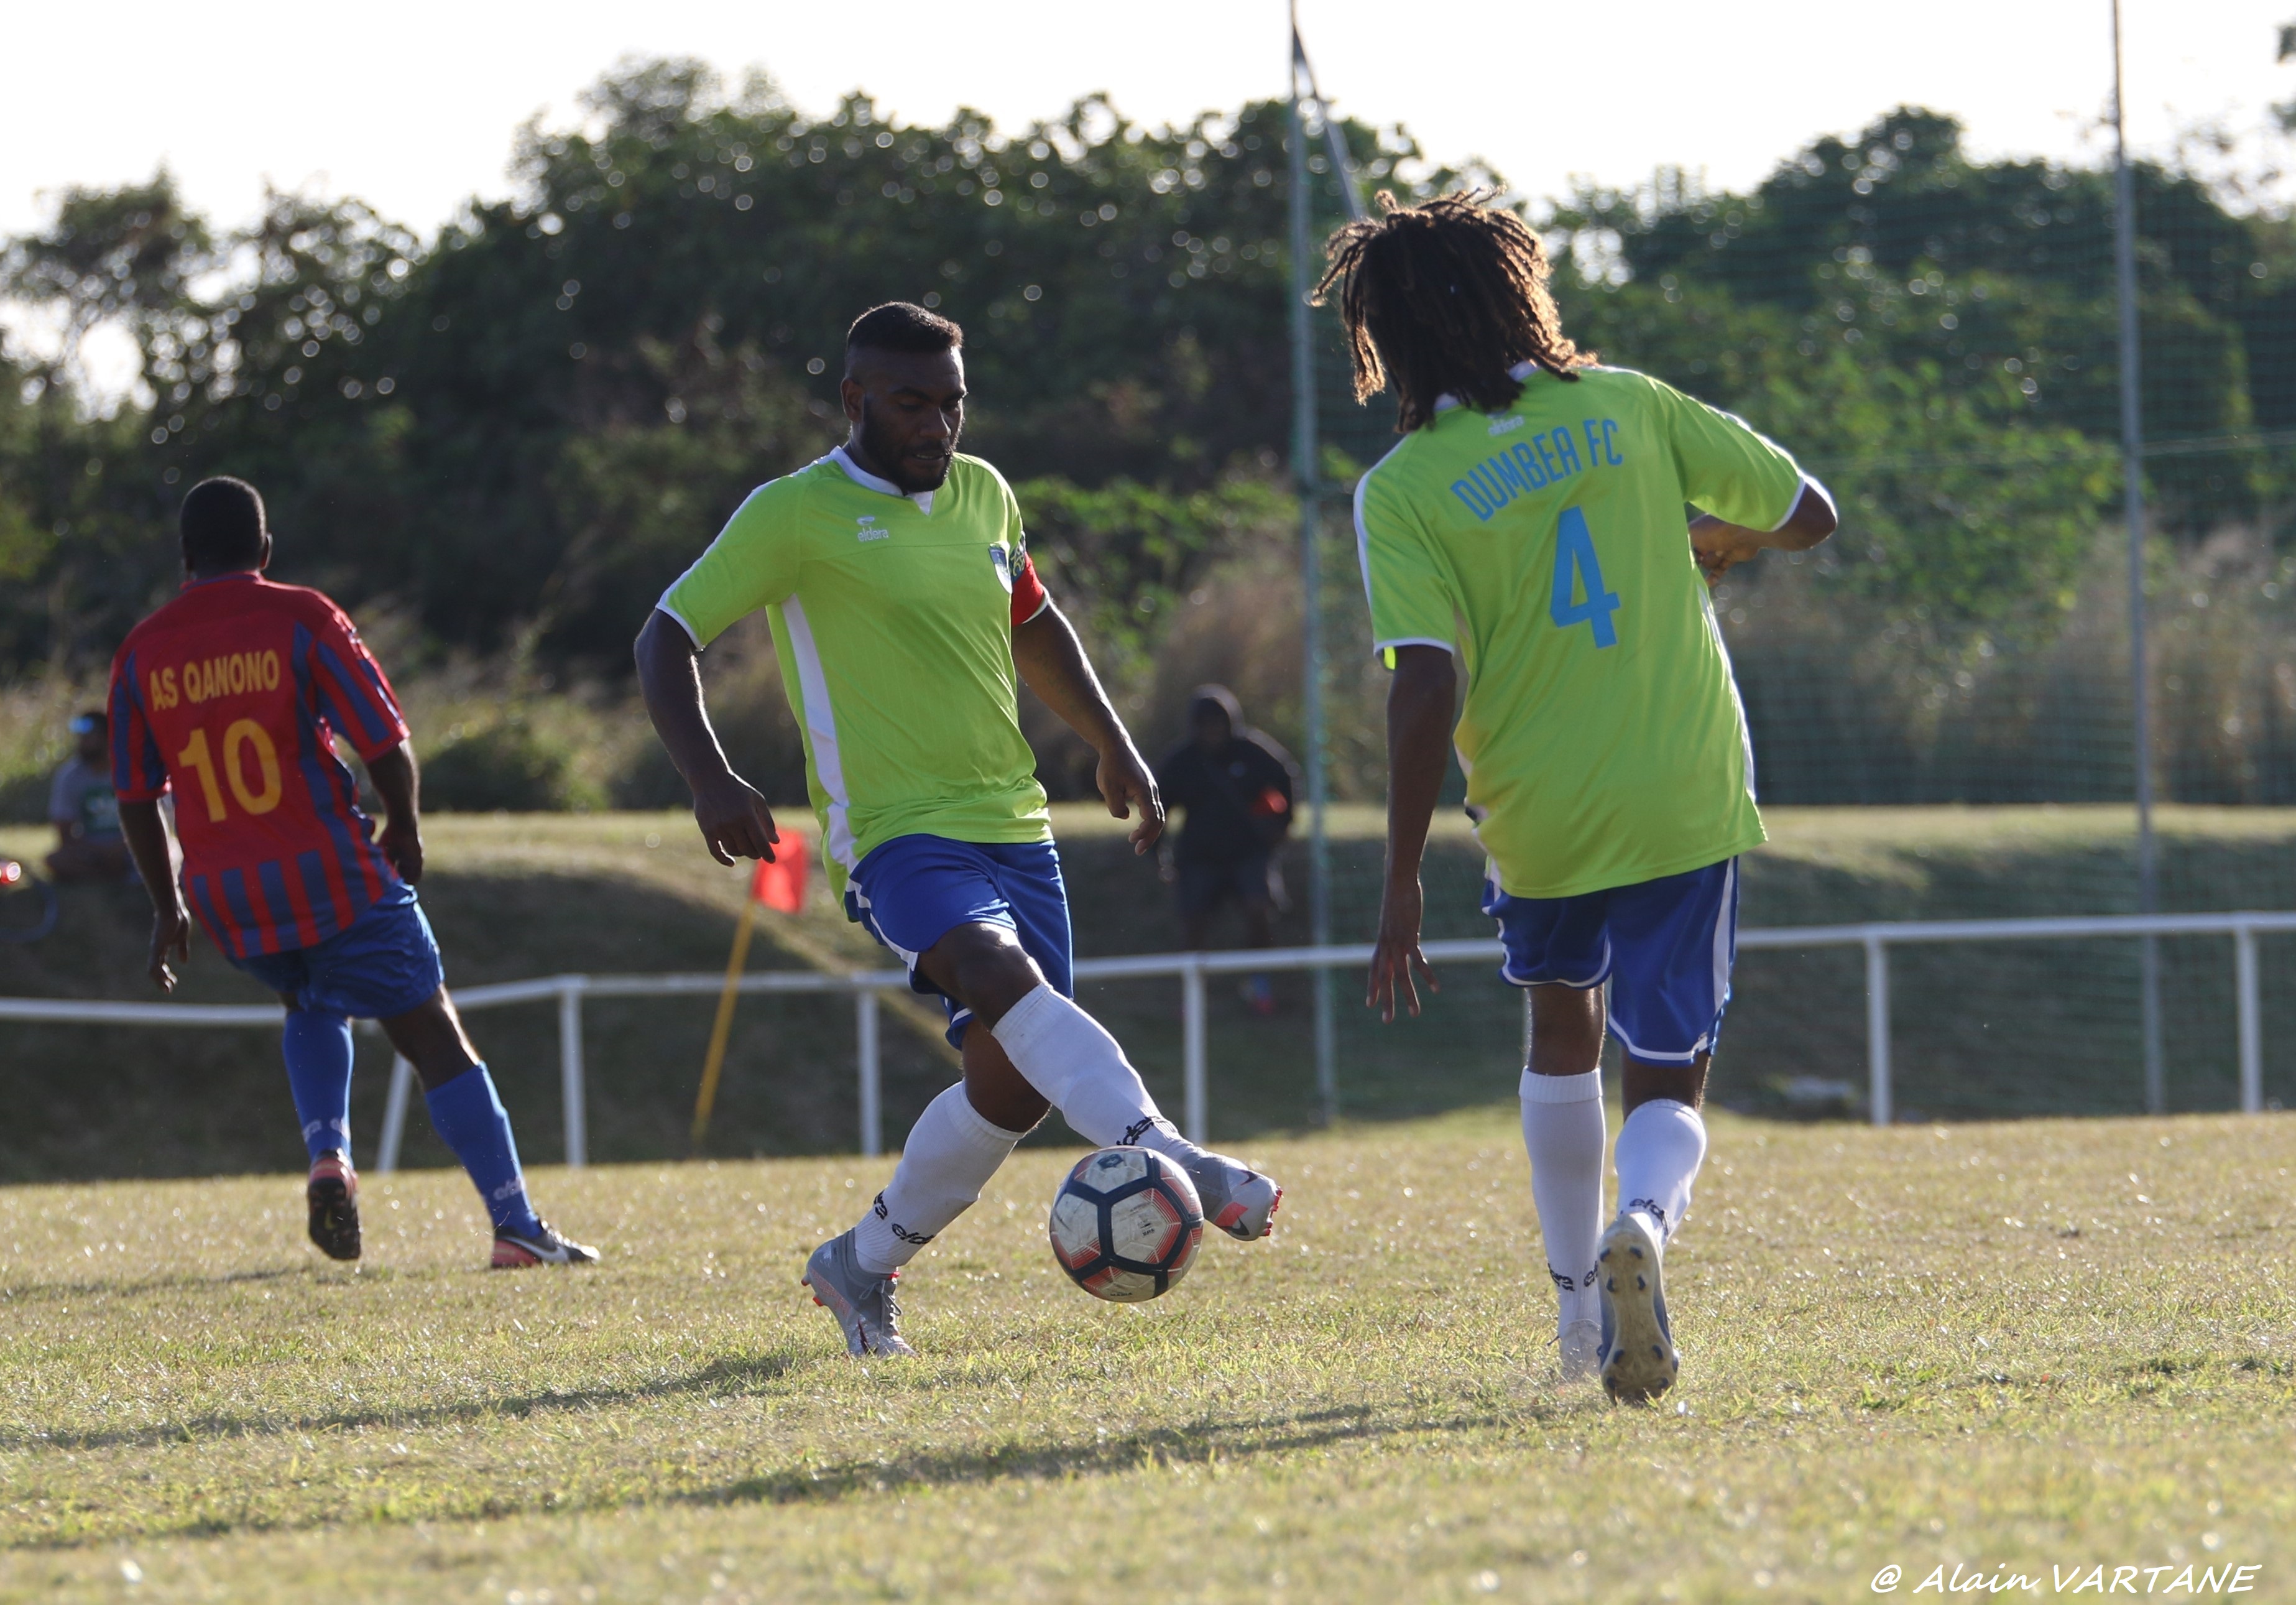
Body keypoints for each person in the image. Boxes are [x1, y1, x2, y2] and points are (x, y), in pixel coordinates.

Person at [635, 302, 1281, 1359]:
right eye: (910, 404)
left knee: (1011, 1084)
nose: (937, 425)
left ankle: (860, 1264)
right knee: (989, 969)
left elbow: (1030, 617)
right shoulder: (793, 514)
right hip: (893, 834)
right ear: (854, 400)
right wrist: (710, 779)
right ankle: (1177, 1159)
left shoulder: (984, 493)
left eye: (952, 403)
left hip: (1017, 828)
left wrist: (1113, 740)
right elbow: (665, 636)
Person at [1319, 195, 1836, 1402]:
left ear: (1383, 337)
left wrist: (1398, 877)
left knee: (1561, 1037)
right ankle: (1644, 1225)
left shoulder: (1401, 489)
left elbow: (1425, 684)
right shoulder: (1630, 406)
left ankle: (1570, 1316)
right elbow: (1808, 514)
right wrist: (1710, 537)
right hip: (1680, 791)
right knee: (1669, 1068)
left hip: (1535, 813)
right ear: (1520, 294)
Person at [108, 476, 597, 1270]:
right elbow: (383, 741)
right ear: (265, 552)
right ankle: (517, 1226)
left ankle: (328, 1157)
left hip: (229, 893)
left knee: (307, 994)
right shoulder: (301, 616)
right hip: (329, 872)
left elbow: (134, 794)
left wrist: (168, 905)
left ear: (185, 559)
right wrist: (402, 823)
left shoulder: (142, 648)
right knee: (431, 1028)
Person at [1156, 684, 1296, 1011]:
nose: (1214, 731)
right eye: (1206, 724)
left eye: (1220, 723)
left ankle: (1260, 983)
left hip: (1248, 853)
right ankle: (1192, 995)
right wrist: (1158, 857)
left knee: (1258, 908)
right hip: (1200, 857)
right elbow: (1156, 809)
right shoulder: (1183, 762)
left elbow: (1287, 778)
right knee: (1193, 922)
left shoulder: (1253, 752)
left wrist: (1283, 825)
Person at [46, 711, 131, 883]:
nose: (82, 743)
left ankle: (104, 877)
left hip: (130, 849)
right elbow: (64, 832)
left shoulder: (130, 770)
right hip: (90, 852)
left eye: (89, 738)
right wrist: (98, 851)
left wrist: (120, 848)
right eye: (80, 738)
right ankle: (113, 877)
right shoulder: (69, 776)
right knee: (55, 860)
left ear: (108, 738)